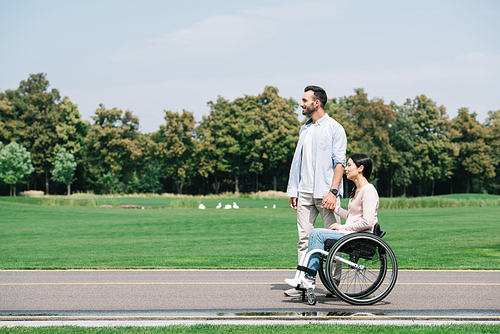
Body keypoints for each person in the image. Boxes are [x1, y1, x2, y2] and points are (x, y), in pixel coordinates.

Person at [284, 85, 347, 297]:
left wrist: (333, 191)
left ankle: (334, 285)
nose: (301, 104)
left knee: (333, 240)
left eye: (304, 100)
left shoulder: (335, 129)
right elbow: (298, 162)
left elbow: (340, 163)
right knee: (304, 239)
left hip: (326, 194)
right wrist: (294, 190)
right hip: (304, 193)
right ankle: (302, 282)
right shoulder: (304, 129)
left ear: (316, 103)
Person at [285, 153, 379, 290]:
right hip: (352, 234)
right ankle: (305, 276)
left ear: (360, 168)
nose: (346, 169)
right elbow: (353, 217)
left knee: (316, 234)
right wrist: (335, 208)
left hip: (360, 237)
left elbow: (367, 223)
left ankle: (308, 278)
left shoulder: (369, 191)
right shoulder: (357, 190)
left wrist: (342, 228)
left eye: (349, 165)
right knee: (314, 234)